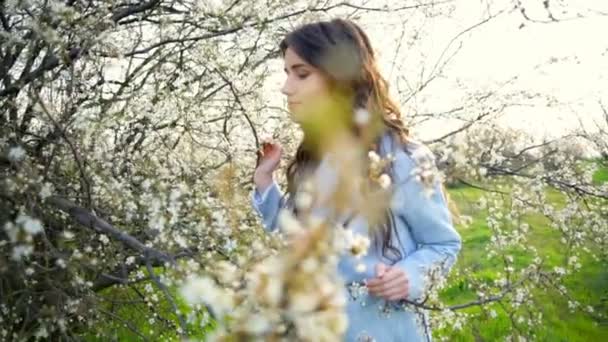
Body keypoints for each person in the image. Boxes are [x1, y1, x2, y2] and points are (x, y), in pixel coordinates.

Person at [251, 18, 462, 341]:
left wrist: (408, 276)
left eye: (301, 73)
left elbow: (444, 244)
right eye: (287, 73)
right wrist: (266, 182)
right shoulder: (313, 158)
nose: (286, 87)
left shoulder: (402, 158)